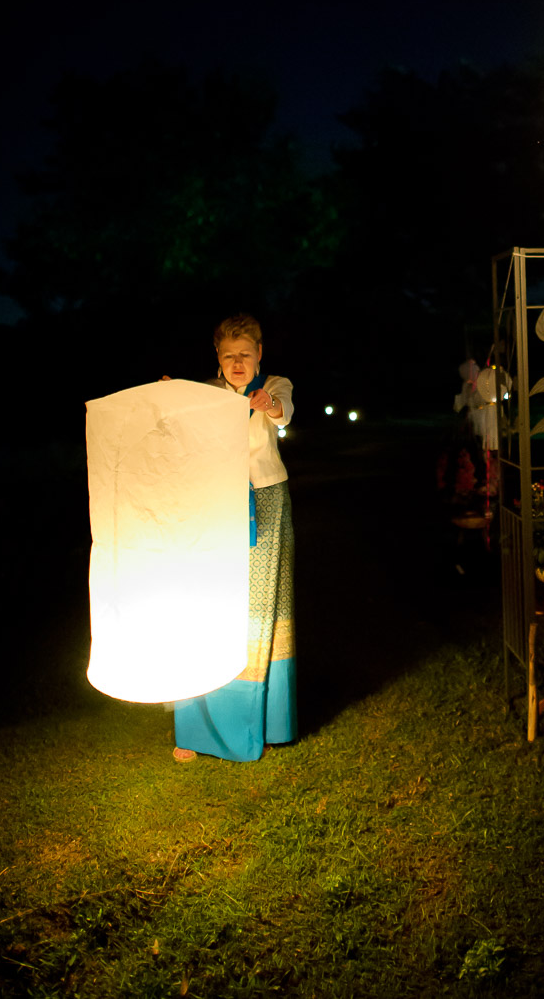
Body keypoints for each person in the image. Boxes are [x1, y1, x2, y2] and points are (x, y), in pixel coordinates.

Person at [172, 314, 297, 763]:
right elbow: (177, 421)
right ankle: (196, 729)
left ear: (259, 353)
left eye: (245, 353)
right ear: (218, 358)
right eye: (229, 355)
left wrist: (268, 404)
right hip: (217, 504)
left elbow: (283, 412)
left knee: (263, 612)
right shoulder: (206, 393)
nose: (238, 362)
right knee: (209, 605)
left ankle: (264, 723)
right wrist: (168, 397)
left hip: (267, 501)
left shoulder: (275, 385)